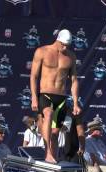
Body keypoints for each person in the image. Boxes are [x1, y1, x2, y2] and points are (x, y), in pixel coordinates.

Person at [30, 29, 81, 163]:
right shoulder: (42, 51)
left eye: (67, 45)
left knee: (55, 133)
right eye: (63, 44)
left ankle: (53, 157)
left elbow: (74, 80)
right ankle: (47, 153)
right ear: (58, 40)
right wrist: (34, 97)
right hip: (45, 94)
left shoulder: (70, 56)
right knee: (48, 114)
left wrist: (75, 103)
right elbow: (34, 76)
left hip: (61, 97)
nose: (65, 47)